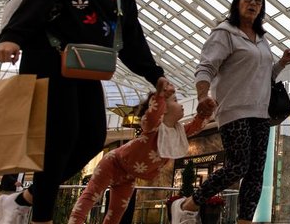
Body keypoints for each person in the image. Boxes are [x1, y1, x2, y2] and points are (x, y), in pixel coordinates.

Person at [0, 0, 172, 224]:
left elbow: (132, 39)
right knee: (61, 138)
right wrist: (13, 36)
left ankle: (25, 199)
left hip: (86, 67)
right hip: (50, 56)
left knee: (92, 137)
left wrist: (155, 74)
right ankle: (41, 218)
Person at [170, 0, 290, 224]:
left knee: (255, 173)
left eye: (258, 0)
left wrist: (282, 63)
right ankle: (188, 204)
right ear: (237, 2)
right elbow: (205, 67)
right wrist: (202, 96)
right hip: (233, 110)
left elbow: (265, 77)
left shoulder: (262, 39)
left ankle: (245, 221)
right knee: (238, 166)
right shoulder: (225, 32)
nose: (253, 3)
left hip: (261, 112)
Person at [68, 80, 213, 224]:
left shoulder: (178, 132)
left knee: (117, 212)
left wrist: (205, 112)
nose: (181, 105)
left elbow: (196, 126)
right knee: (90, 197)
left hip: (129, 176)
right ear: (164, 109)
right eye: (175, 100)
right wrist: (160, 96)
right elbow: (152, 116)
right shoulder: (152, 127)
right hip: (112, 164)